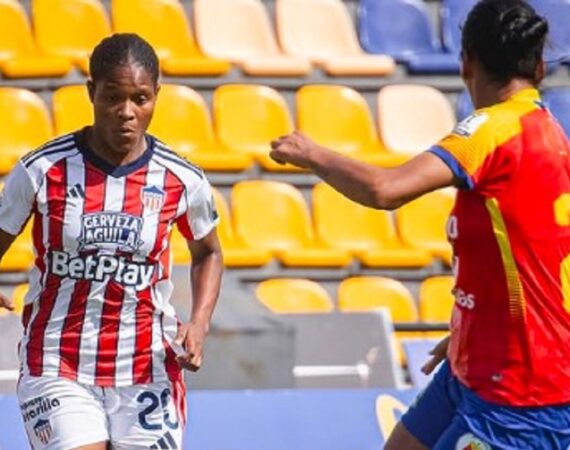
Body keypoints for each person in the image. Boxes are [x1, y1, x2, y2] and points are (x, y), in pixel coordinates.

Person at [271, 0, 570, 448]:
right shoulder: (550, 129)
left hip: (519, 394)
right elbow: (535, 255)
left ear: (466, 62)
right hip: (478, 365)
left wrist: (312, 154)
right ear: (540, 66)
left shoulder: (491, 130)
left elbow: (386, 189)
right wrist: (476, 326)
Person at [0, 33, 223, 449]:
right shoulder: (41, 169)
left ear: (156, 96)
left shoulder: (181, 179)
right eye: (113, 97)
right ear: (91, 92)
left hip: (147, 367)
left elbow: (208, 252)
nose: (126, 112)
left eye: (140, 99)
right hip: (57, 361)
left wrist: (200, 322)